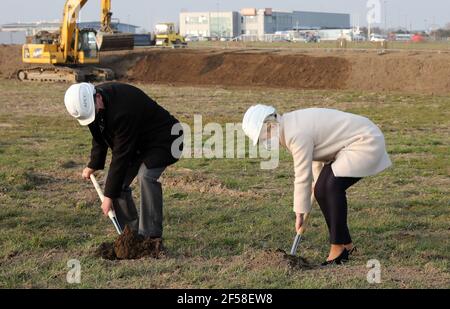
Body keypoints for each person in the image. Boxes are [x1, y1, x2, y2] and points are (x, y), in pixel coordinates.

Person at [242, 105, 392, 265]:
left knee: (331, 188)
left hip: (365, 141)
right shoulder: (290, 126)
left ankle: (338, 249)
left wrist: (300, 212)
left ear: (270, 124)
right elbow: (315, 157)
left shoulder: (295, 133)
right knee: (322, 189)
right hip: (348, 145)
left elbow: (301, 175)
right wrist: (318, 184)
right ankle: (347, 245)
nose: (264, 141)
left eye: (263, 137)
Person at [64, 82, 183, 242]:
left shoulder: (123, 110)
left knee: (145, 177)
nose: (96, 114)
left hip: (166, 139)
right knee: (114, 185)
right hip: (138, 143)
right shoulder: (93, 104)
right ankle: (132, 235)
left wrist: (108, 197)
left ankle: (151, 237)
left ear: (98, 97)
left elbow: (121, 156)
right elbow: (99, 134)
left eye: (95, 111)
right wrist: (94, 163)